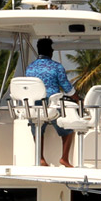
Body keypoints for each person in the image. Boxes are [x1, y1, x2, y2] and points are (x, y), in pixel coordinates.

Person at [25, 37, 78, 167]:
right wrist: (78, 98)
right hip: (51, 105)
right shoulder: (56, 66)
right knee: (68, 127)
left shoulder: (30, 68)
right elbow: (66, 87)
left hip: (35, 106)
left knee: (37, 127)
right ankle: (64, 158)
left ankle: (41, 159)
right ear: (50, 51)